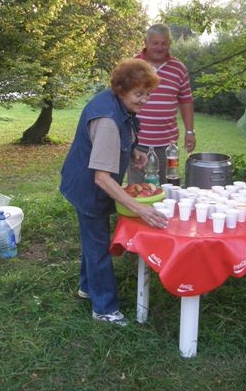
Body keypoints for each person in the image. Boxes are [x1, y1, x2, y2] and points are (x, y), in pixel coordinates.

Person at [60, 58, 168, 327]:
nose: (144, 100)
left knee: (92, 238)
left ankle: (87, 287)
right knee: (98, 246)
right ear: (122, 90)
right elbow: (101, 178)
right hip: (87, 186)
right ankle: (104, 308)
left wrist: (133, 151)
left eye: (147, 94)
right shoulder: (108, 119)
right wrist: (139, 207)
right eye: (138, 94)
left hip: (86, 181)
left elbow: (124, 134)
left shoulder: (118, 105)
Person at [127, 24, 195, 184]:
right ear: (146, 42)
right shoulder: (132, 66)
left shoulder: (179, 68)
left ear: (169, 43)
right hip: (137, 143)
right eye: (155, 43)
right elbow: (119, 100)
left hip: (168, 145)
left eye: (164, 43)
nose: (160, 47)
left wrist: (190, 131)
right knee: (138, 191)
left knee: (167, 190)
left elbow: (186, 100)